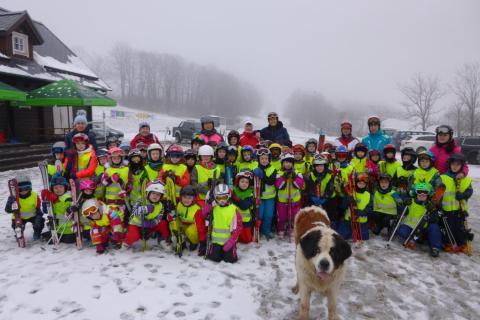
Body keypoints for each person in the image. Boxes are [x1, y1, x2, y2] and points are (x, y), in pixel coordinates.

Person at [396, 182, 443, 257]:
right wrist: (403, 204)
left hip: (424, 228)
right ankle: (415, 239)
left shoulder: (430, 204)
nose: (422, 194)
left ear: (428, 194)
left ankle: (435, 247)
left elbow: (435, 219)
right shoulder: (410, 201)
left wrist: (431, 212)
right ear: (415, 193)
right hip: (410, 226)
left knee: (434, 227)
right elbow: (401, 212)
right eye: (419, 192)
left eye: (425, 192)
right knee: (402, 232)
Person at [440, 154, 473, 252]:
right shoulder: (443, 178)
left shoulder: (465, 179)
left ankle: (461, 243)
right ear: (449, 165)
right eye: (453, 164)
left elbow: (469, 191)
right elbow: (439, 193)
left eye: (458, 165)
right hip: (447, 210)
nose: (455, 167)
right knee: (448, 228)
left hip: (460, 209)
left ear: (461, 166)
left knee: (459, 228)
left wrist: (463, 195)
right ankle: (448, 243)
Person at [202, 184, 243, 263]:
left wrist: (231, 241)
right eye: (219, 198)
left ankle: (232, 249)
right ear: (215, 197)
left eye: (224, 197)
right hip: (216, 241)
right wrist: (209, 206)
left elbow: (239, 227)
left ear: (229, 196)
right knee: (214, 258)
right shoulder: (214, 208)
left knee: (229, 260)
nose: (222, 200)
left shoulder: (233, 210)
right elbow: (203, 215)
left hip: (228, 241)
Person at [124, 182, 170, 249]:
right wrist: (145, 208)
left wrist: (152, 223)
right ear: (148, 193)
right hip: (136, 224)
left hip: (150, 225)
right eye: (153, 193)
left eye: (158, 194)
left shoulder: (160, 206)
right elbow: (134, 213)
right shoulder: (141, 200)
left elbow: (159, 218)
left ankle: (165, 240)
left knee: (163, 223)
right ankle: (126, 243)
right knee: (134, 236)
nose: (155, 196)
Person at [170, 185, 207, 255]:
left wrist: (203, 242)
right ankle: (180, 240)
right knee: (173, 223)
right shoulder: (179, 204)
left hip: (194, 226)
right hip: (184, 224)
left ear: (194, 198)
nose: (186, 200)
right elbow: (177, 217)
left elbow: (201, 226)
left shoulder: (198, 208)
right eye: (184, 197)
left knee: (190, 231)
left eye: (189, 198)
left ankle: (194, 242)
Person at [5, 175, 44, 241]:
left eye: (26, 188)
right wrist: (10, 203)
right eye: (20, 189)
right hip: (19, 217)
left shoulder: (34, 195)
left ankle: (37, 232)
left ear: (30, 188)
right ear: (16, 189)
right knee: (18, 226)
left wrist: (39, 214)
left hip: (33, 215)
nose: (23, 191)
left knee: (39, 222)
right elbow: (8, 210)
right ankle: (19, 233)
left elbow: (38, 206)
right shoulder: (13, 198)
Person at [275, 152, 305, 237]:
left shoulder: (298, 173)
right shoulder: (279, 173)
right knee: (282, 217)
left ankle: (291, 229)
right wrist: (284, 177)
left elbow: (299, 185)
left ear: (292, 163)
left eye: (290, 162)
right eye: (285, 162)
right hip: (282, 201)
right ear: (282, 163)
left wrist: (294, 177)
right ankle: (281, 228)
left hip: (294, 200)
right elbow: (279, 186)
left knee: (294, 216)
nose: (288, 164)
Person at [338, 172, 372, 241]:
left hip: (361, 222)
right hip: (348, 221)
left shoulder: (368, 195)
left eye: (363, 184)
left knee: (364, 238)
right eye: (359, 183)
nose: (361, 185)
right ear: (356, 183)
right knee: (341, 237)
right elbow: (342, 207)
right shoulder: (350, 192)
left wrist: (359, 212)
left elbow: (370, 209)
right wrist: (347, 200)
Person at [40, 174, 73, 243]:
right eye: (56, 188)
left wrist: (54, 200)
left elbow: (62, 205)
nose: (58, 190)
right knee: (47, 238)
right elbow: (46, 211)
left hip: (69, 229)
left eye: (61, 187)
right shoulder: (53, 198)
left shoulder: (68, 197)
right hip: (58, 228)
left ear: (65, 187)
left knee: (68, 240)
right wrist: (45, 201)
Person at [305, 154, 337, 226]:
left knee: (331, 211)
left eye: (321, 166)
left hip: (328, 197)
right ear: (314, 166)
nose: (319, 168)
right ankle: (313, 223)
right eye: (317, 166)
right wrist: (312, 195)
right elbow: (310, 187)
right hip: (315, 197)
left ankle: (332, 223)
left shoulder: (330, 175)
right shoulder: (311, 175)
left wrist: (325, 196)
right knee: (311, 208)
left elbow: (331, 187)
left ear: (325, 166)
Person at [253, 148, 277, 239]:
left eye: (266, 158)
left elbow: (270, 181)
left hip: (270, 197)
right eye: (262, 158)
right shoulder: (255, 168)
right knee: (259, 214)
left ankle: (266, 230)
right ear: (259, 159)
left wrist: (262, 175)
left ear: (269, 159)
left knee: (269, 215)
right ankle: (257, 230)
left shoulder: (273, 169)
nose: (264, 160)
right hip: (259, 196)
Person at [232, 171, 255, 244]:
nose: (244, 184)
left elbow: (244, 206)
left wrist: (237, 199)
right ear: (238, 182)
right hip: (235, 220)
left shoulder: (250, 194)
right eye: (242, 181)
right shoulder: (234, 191)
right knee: (235, 238)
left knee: (247, 240)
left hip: (246, 221)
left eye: (246, 182)